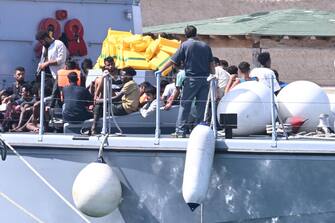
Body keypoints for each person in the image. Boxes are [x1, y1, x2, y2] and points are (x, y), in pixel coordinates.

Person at [157, 25, 215, 137]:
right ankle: (200, 131)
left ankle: (180, 131)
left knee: (185, 105)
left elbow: (173, 60)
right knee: (201, 106)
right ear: (196, 33)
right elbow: (211, 63)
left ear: (185, 35)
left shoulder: (185, 45)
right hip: (205, 80)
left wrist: (161, 70)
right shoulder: (205, 46)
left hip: (191, 79)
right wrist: (213, 75)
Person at [35, 30, 67, 109]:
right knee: (53, 95)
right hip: (48, 75)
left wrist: (48, 63)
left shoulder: (59, 44)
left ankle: (52, 109)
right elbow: (43, 59)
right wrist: (40, 66)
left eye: (41, 41)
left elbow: (61, 60)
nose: (41, 43)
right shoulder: (44, 47)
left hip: (59, 74)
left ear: (46, 38)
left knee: (56, 93)